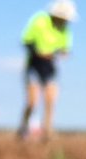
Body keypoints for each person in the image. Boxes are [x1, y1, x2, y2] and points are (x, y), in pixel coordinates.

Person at [19, 2, 77, 140]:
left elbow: (65, 48)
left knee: (51, 99)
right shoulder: (40, 20)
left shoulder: (65, 29)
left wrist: (62, 53)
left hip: (49, 67)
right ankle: (24, 127)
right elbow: (26, 41)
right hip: (34, 64)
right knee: (32, 102)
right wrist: (40, 53)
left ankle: (47, 131)